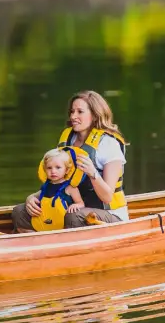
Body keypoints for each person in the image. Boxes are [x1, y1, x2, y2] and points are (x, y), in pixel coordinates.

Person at [12, 90, 128, 231]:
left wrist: (93, 174)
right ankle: (38, 247)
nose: (73, 116)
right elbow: (57, 181)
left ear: (95, 115)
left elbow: (107, 197)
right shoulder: (68, 139)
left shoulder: (109, 144)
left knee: (74, 217)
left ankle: (61, 247)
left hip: (109, 214)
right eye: (72, 111)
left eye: (80, 112)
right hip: (71, 208)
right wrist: (32, 197)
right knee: (20, 212)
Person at [30, 147, 87, 231]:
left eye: (58, 167)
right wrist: (32, 199)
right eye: (49, 168)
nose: (53, 171)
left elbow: (81, 203)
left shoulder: (70, 188)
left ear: (66, 170)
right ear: (45, 169)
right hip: (46, 223)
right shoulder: (46, 186)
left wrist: (76, 205)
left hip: (64, 226)